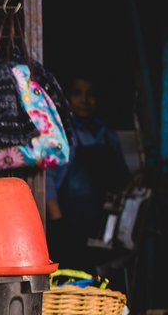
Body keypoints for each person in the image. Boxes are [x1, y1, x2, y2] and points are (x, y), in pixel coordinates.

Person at [47, 77, 130, 269]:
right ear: (67, 98)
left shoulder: (107, 134)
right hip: (69, 226)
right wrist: (57, 222)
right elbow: (48, 181)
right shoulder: (62, 135)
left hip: (105, 227)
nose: (84, 100)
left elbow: (123, 178)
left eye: (90, 94)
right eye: (78, 93)